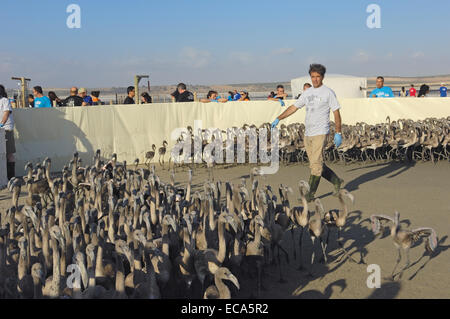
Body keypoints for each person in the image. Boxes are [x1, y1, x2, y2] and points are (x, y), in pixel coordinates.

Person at [271, 64, 344, 202]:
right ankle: (336, 181)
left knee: (316, 165)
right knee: (316, 165)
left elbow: (336, 112)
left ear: (322, 77)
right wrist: (278, 118)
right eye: (313, 77)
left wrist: (338, 132)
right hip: (308, 133)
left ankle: (309, 195)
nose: (315, 79)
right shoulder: (307, 93)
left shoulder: (328, 92)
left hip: (321, 132)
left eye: (318, 76)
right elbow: (294, 107)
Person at [0, 85, 16, 180]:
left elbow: (6, 113)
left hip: (6, 129)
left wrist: (1, 125)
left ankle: (11, 177)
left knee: (9, 153)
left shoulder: (4, 100)